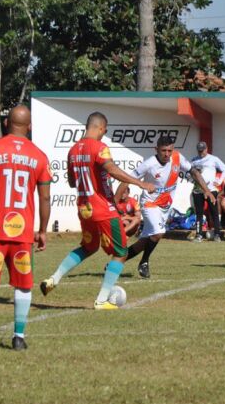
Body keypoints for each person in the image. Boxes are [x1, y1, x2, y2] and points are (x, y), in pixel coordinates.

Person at [40, 112, 155, 309]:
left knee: (89, 247)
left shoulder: (73, 150)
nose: (105, 133)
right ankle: (101, 300)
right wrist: (140, 183)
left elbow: (71, 181)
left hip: (84, 208)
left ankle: (53, 278)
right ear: (100, 127)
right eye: (105, 130)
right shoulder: (100, 147)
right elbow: (111, 169)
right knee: (120, 252)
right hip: (103, 208)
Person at [0, 106, 52, 351]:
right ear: (30, 126)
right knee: (23, 282)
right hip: (22, 229)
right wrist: (43, 230)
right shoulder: (39, 156)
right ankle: (19, 337)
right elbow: (44, 198)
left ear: (6, 122)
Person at [114, 135, 211, 278]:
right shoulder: (149, 164)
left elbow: (194, 172)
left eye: (169, 151)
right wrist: (115, 202)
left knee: (144, 241)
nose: (167, 154)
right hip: (149, 203)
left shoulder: (177, 158)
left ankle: (115, 264)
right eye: (163, 150)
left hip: (165, 206)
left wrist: (207, 190)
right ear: (156, 149)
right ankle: (144, 262)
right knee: (159, 232)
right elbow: (126, 180)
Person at [190, 141, 225, 242]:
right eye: (199, 151)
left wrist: (219, 181)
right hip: (198, 190)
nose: (201, 153)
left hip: (211, 190)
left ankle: (217, 234)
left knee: (214, 212)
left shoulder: (213, 159)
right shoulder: (194, 160)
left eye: (202, 150)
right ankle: (199, 235)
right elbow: (190, 174)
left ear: (206, 149)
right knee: (199, 213)